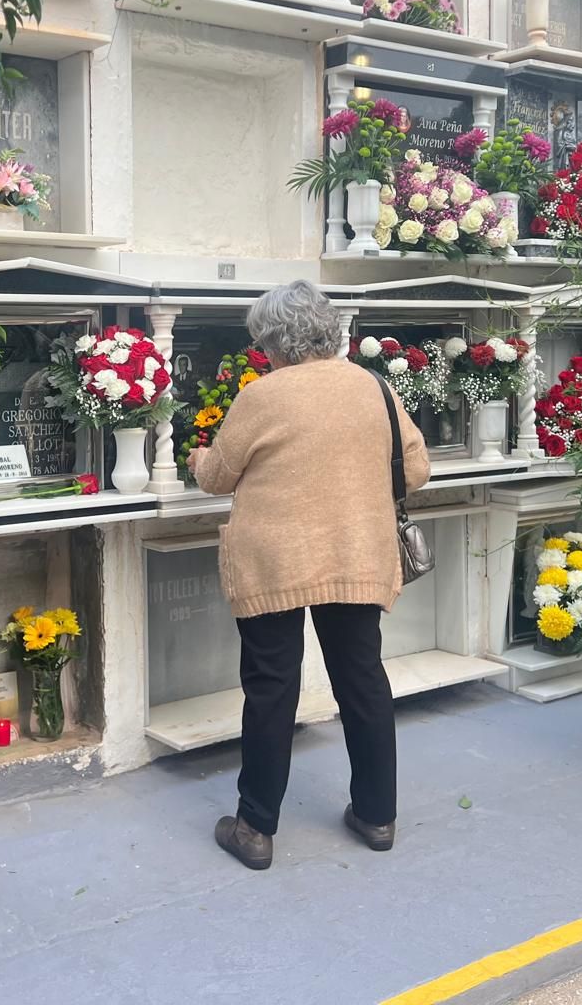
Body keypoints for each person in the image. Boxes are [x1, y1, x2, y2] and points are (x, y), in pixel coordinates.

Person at [188, 280, 430, 870]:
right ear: (327, 329)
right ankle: (377, 816)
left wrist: (195, 457)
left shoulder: (262, 396)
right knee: (363, 681)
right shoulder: (374, 387)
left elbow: (217, 477)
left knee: (271, 687)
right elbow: (417, 470)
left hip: (275, 561)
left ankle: (255, 829)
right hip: (354, 555)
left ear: (271, 341)